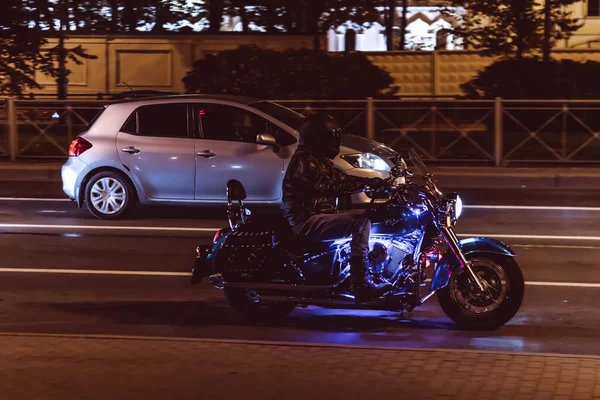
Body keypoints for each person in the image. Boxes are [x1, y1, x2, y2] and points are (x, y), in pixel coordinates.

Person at [281, 112, 393, 303]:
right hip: (306, 220)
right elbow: (329, 185)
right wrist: (367, 185)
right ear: (318, 138)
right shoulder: (305, 163)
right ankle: (361, 284)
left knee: (371, 216)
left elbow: (341, 178)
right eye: (331, 137)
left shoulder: (318, 159)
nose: (336, 142)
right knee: (360, 224)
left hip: (319, 215)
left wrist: (375, 181)